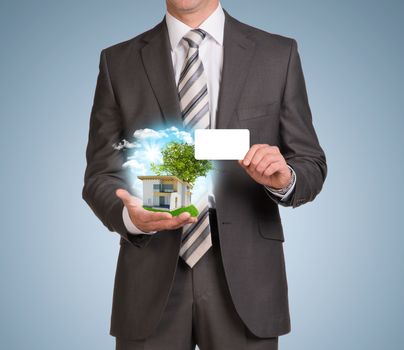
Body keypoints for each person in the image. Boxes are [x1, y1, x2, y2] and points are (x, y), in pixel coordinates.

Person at [82, 1, 327, 349]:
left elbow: (310, 163)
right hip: (149, 278)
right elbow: (99, 175)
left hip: (247, 280)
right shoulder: (117, 62)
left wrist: (285, 178)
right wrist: (131, 218)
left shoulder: (278, 54)